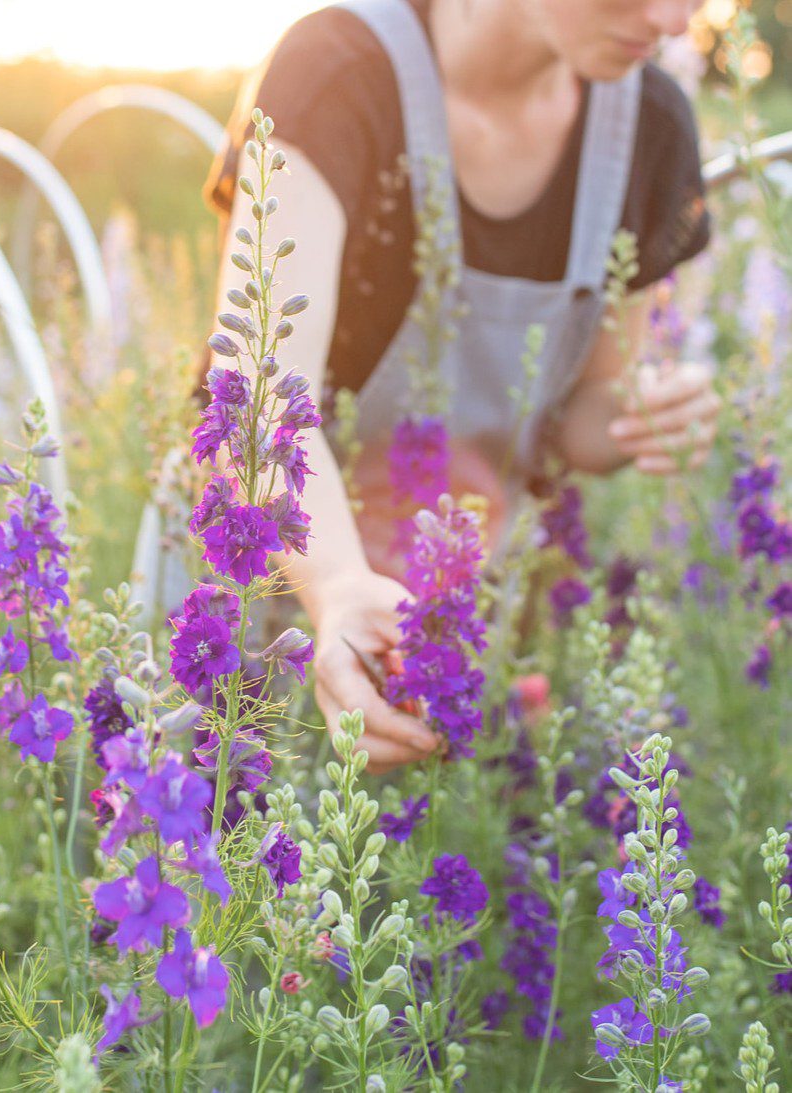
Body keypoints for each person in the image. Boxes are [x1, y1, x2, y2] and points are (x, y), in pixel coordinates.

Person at [201, 0, 720, 772]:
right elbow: (254, 396)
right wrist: (338, 585)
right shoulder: (338, 72)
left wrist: (633, 419)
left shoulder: (649, 125)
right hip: (263, 607)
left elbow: (579, 416)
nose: (674, 21)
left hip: (469, 624)